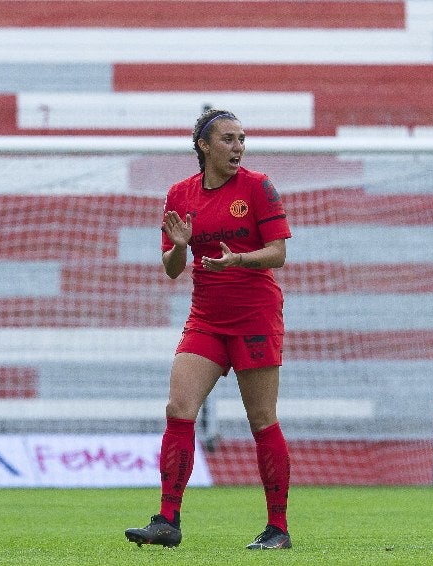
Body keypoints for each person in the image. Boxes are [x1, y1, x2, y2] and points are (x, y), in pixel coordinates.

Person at [125, 109, 293, 549]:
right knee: (179, 408)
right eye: (228, 139)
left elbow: (277, 253)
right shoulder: (179, 195)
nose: (238, 147)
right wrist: (179, 247)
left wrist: (238, 259)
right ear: (204, 145)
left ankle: (278, 527)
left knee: (261, 420)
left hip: (255, 316)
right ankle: (167, 521)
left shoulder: (258, 187)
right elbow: (172, 269)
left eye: (242, 139)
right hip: (206, 318)